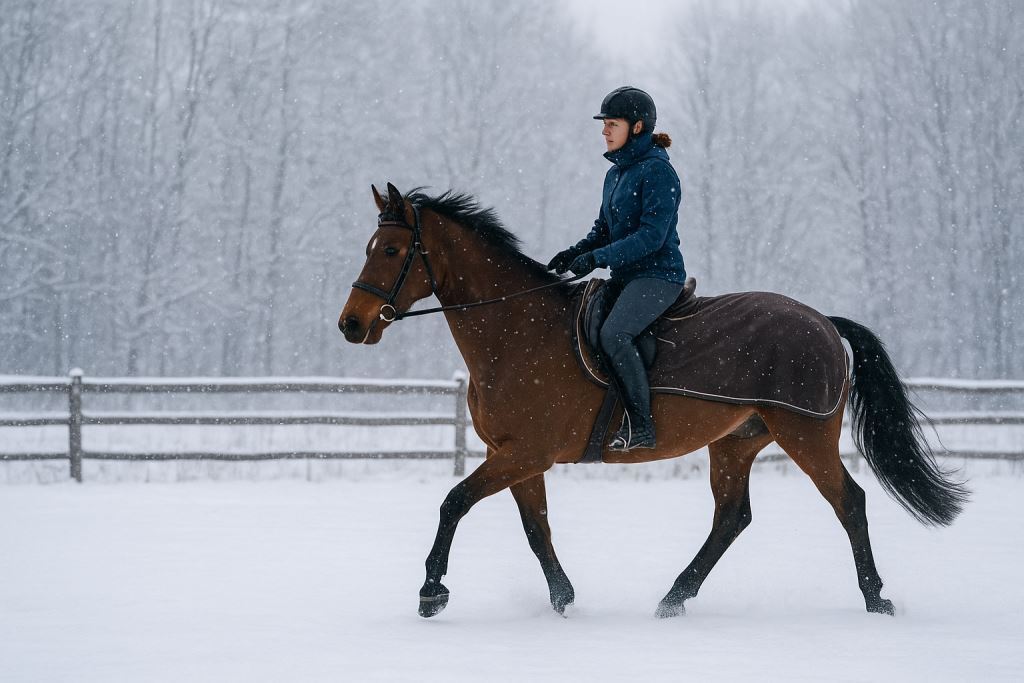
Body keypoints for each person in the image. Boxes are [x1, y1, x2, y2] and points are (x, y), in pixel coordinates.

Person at [547, 86, 686, 451]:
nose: (604, 131)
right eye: (604, 124)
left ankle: (641, 425)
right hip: (625, 277)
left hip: (658, 275)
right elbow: (603, 231)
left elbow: (651, 237)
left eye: (612, 124)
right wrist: (576, 252)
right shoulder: (616, 174)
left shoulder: (658, 172)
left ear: (637, 127)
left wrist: (598, 258)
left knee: (614, 335)